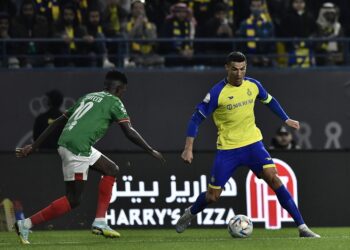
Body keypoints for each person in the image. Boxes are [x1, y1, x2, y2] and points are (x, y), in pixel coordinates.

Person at [175, 51, 320, 238]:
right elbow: (195, 120)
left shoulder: (253, 85)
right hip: (228, 150)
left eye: (242, 69)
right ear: (227, 68)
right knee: (212, 196)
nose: (238, 73)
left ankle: (302, 227)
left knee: (274, 179)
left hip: (253, 144)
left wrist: (286, 119)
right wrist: (188, 148)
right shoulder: (216, 93)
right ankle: (190, 213)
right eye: (234, 69)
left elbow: (270, 100)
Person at [14, 70, 165, 244]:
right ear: (120, 88)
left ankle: (100, 220)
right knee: (73, 200)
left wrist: (33, 146)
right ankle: (26, 224)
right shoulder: (115, 102)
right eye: (124, 91)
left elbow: (57, 122)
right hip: (77, 148)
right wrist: (150, 149)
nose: (123, 94)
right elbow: (129, 131)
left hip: (72, 144)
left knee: (111, 169)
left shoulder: (88, 97)